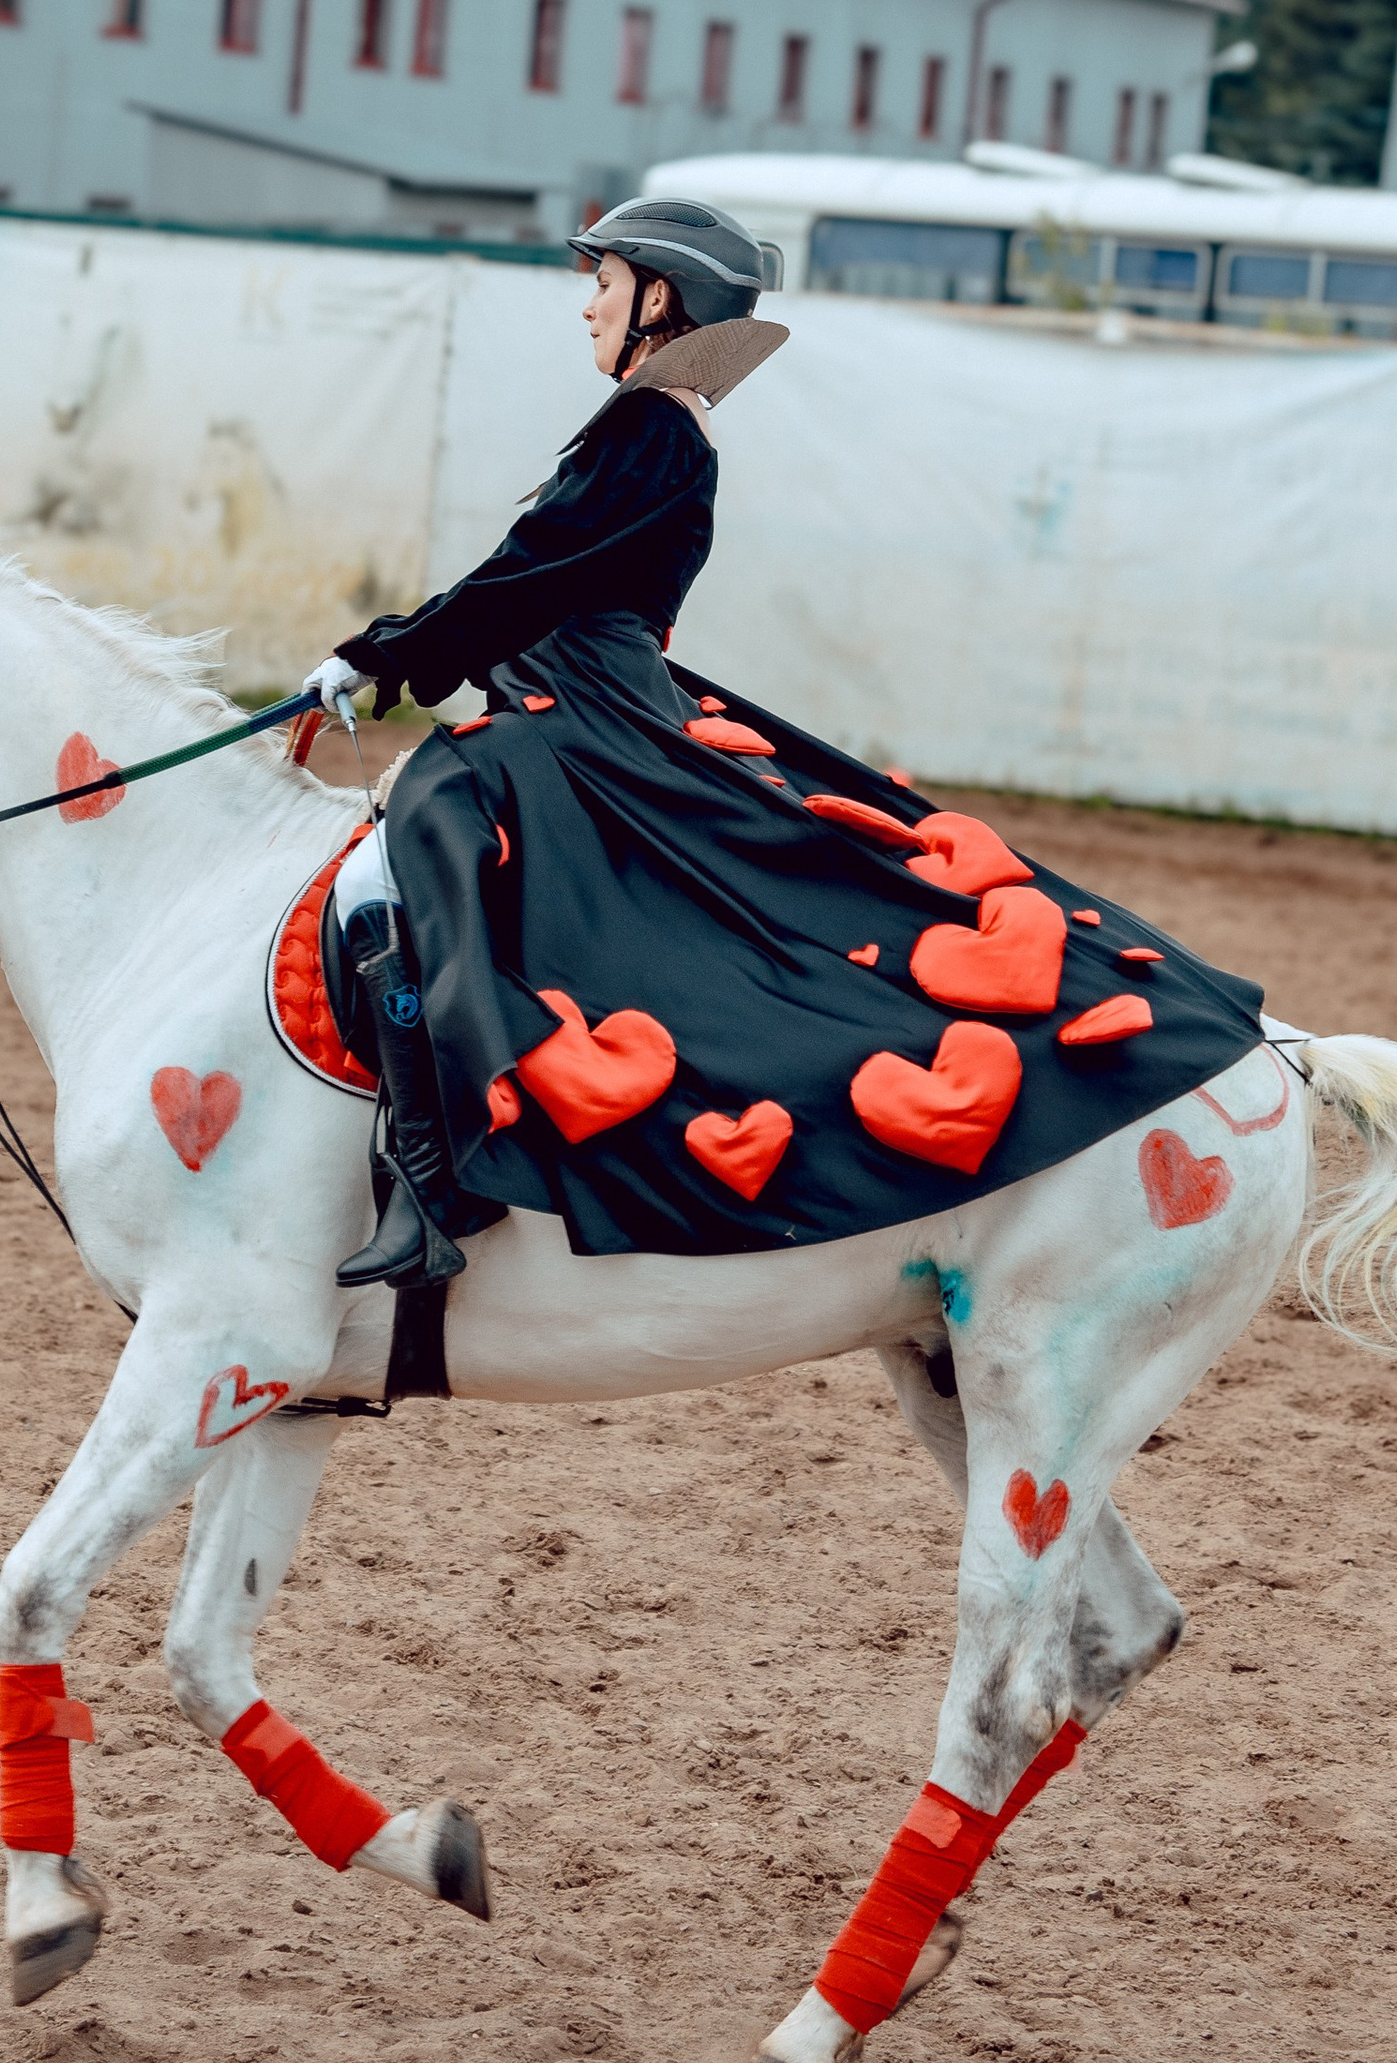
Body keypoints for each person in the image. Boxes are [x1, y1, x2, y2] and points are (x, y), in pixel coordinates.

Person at [299, 199, 1265, 1296]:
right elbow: (526, 576)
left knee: (398, 861)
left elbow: (528, 576)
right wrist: (392, 651)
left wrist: (376, 656)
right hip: (565, 699)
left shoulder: (649, 425)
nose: (588, 305)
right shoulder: (649, 423)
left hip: (584, 715)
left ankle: (432, 1182)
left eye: (603, 283)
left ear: (658, 298)